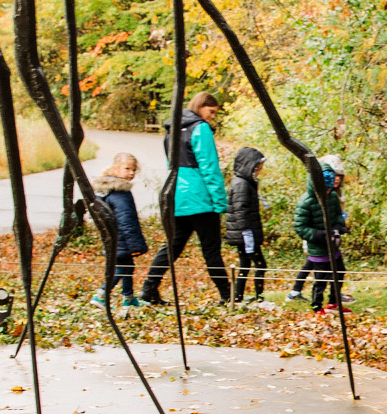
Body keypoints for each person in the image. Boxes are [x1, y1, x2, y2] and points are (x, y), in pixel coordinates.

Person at [142, 91, 233, 306]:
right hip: (200, 198)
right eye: (211, 112)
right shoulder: (200, 128)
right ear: (200, 107)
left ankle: (148, 289)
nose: (212, 117)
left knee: (172, 246)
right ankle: (229, 295)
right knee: (211, 249)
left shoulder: (172, 129)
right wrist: (220, 201)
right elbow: (209, 167)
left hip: (177, 196)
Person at [92, 152, 149, 310]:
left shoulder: (105, 189)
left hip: (112, 237)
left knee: (128, 266)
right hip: (122, 238)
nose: (131, 173)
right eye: (127, 168)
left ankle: (129, 298)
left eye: (134, 170)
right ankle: (101, 295)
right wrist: (134, 244)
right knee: (122, 268)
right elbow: (126, 219)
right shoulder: (120, 192)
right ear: (116, 168)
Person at [293, 154, 348, 315]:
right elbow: (300, 227)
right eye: (326, 188)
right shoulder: (306, 202)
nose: (328, 191)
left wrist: (338, 229)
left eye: (330, 189)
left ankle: (333, 302)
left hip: (334, 245)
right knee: (321, 278)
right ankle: (317, 306)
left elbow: (338, 216)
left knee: (339, 272)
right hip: (318, 248)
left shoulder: (332, 196)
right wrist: (321, 235)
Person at [224, 145, 270, 304]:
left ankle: (238, 297)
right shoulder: (241, 184)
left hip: (245, 233)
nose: (259, 172)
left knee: (245, 265)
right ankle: (259, 298)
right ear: (248, 166)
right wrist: (247, 234)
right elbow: (240, 210)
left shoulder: (246, 182)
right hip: (245, 234)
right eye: (257, 169)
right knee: (260, 265)